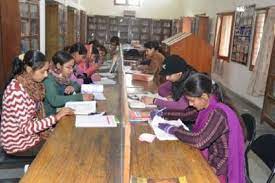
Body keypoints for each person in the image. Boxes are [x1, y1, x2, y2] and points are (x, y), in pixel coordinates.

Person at [158, 73, 245, 183]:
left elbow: (199, 140)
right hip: (211, 156)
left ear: (204, 96)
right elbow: (187, 114)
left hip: (220, 166)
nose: (190, 104)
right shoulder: (208, 104)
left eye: (192, 100)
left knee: (179, 170)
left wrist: (172, 129)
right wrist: (163, 113)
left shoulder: (218, 113)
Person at [0, 51, 74, 155]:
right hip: (18, 144)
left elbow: (34, 117)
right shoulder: (16, 91)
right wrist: (56, 117)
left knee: (65, 138)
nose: (46, 75)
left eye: (47, 71)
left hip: (31, 136)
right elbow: (27, 128)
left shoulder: (32, 85)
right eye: (43, 71)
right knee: (63, 148)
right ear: (29, 69)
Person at [141, 55, 197, 121]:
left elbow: (180, 106)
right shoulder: (178, 77)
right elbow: (161, 88)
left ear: (179, 73)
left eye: (169, 75)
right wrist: (169, 96)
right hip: (177, 115)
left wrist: (154, 101)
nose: (166, 78)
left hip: (189, 121)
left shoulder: (192, 82)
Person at [44, 51, 94, 116]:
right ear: (59, 66)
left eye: (72, 67)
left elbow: (77, 85)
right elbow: (55, 100)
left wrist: (72, 88)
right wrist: (80, 97)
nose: (71, 70)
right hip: (51, 117)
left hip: (61, 112)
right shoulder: (48, 79)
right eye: (68, 67)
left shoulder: (62, 77)